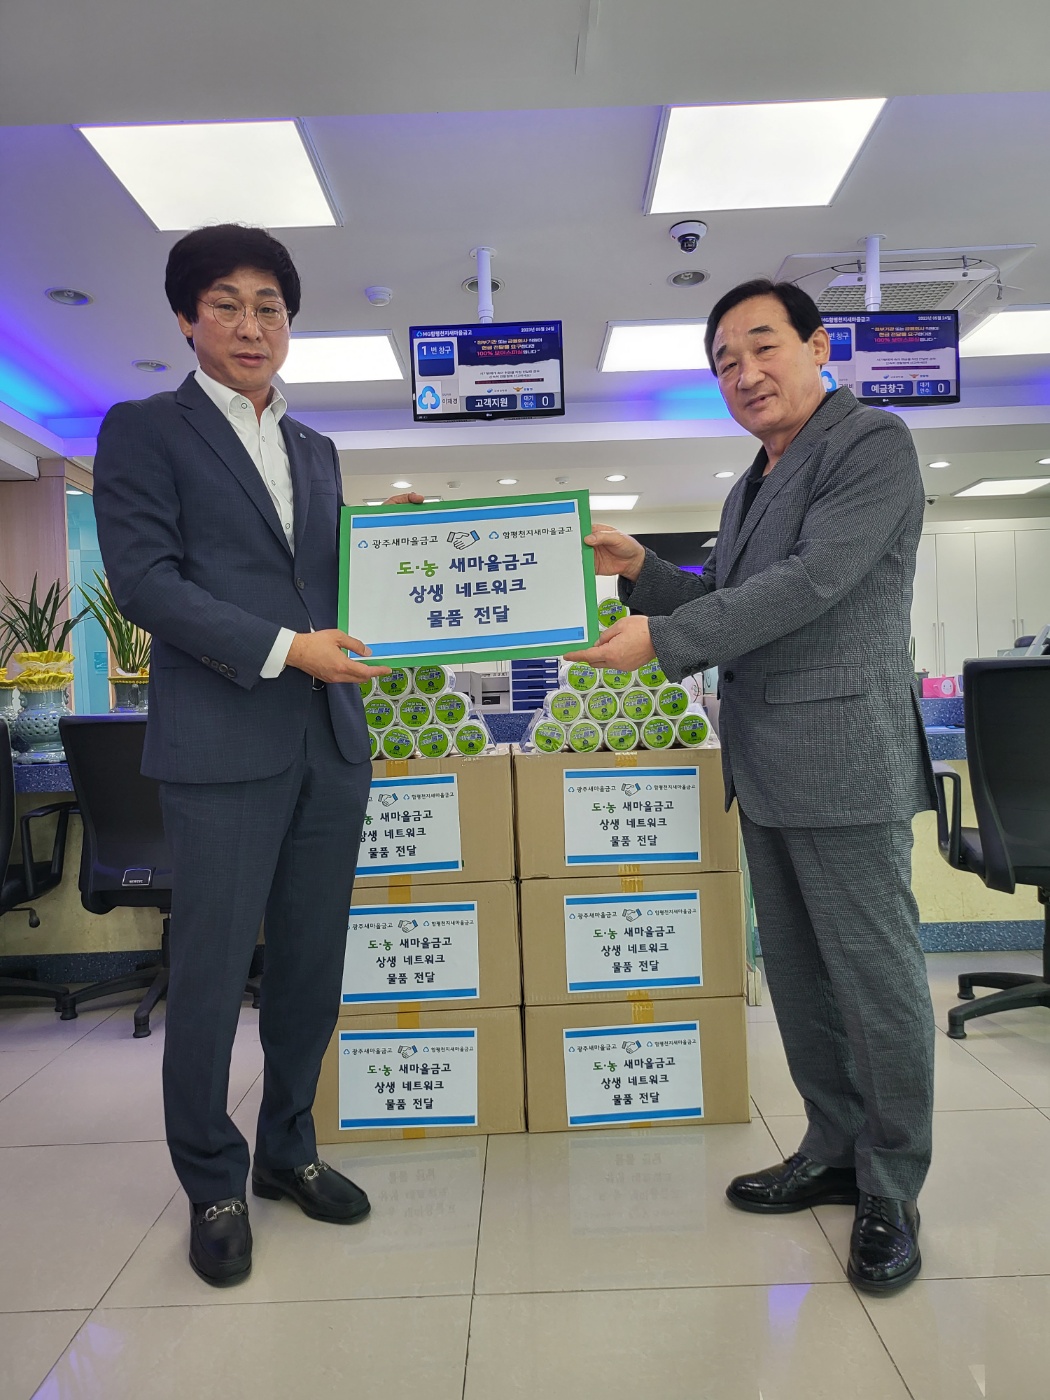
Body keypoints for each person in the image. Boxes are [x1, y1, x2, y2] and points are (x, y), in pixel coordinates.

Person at [566, 278, 937, 1295]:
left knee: (875, 980)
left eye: (763, 345)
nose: (744, 372)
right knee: (804, 979)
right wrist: (642, 568)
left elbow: (811, 582)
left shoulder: (870, 443)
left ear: (818, 346)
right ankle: (833, 1147)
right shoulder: (749, 485)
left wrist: (664, 639)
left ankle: (892, 1186)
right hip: (765, 763)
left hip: (844, 760)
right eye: (724, 361)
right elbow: (734, 595)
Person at [93, 224, 418, 1287]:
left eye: (269, 305)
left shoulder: (315, 447)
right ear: (187, 318)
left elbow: (334, 584)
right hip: (222, 742)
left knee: (311, 969)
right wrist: (287, 648)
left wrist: (415, 564)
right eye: (226, 303)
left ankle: (287, 1146)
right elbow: (146, 581)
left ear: (290, 322)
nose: (250, 324)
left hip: (330, 744)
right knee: (210, 972)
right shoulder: (146, 429)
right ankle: (213, 1181)